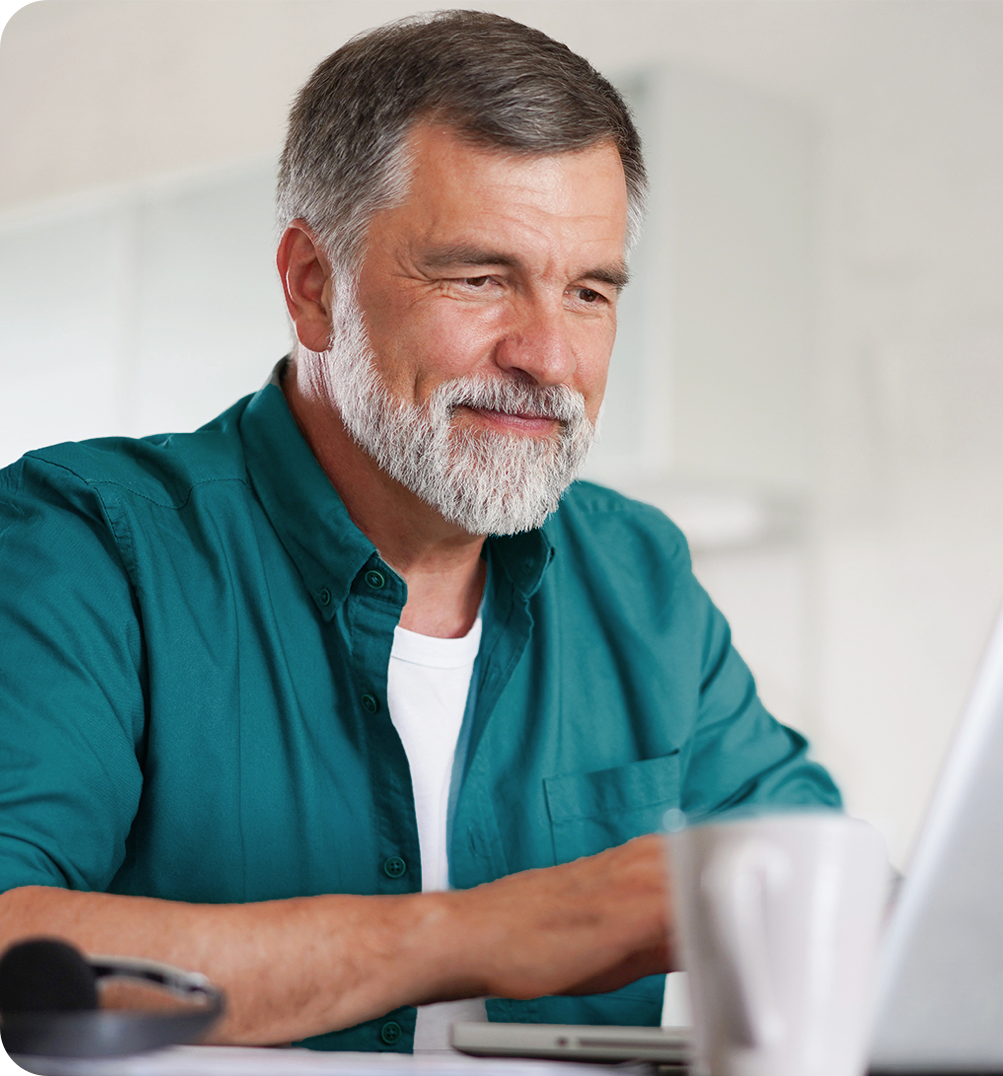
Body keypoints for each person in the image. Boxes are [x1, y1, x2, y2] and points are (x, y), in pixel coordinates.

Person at [0, 9, 840, 1053]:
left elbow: (820, 875)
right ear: (313, 287)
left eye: (587, 291)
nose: (546, 353)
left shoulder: (640, 573)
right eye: (479, 278)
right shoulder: (86, 540)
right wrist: (488, 931)